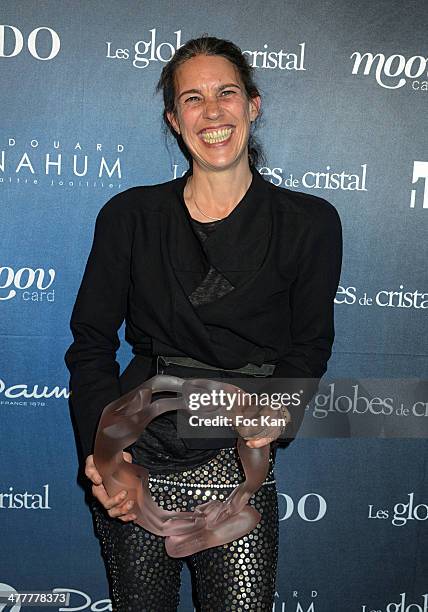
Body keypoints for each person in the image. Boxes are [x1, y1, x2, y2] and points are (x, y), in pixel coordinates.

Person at [65, 35, 342, 612]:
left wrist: (276, 415)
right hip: (139, 449)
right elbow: (91, 345)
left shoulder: (310, 223)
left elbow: (310, 345)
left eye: (227, 93)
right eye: (192, 99)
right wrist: (106, 453)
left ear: (253, 105)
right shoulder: (130, 216)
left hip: (237, 454)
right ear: (174, 118)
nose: (212, 111)